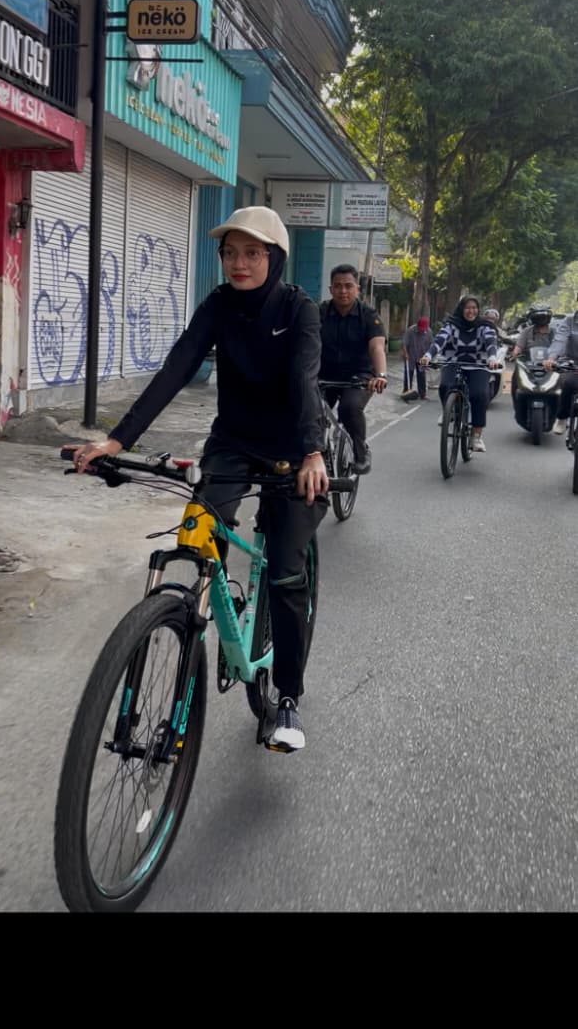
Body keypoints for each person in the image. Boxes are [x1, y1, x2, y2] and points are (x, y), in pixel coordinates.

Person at [71, 206, 329, 754]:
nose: (239, 263)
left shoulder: (299, 309)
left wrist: (313, 451)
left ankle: (287, 696)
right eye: (230, 252)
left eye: (252, 253)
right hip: (232, 443)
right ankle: (198, 615)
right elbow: (177, 367)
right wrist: (117, 441)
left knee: (286, 570)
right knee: (198, 534)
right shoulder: (218, 305)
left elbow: (305, 380)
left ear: (275, 258)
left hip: (293, 450)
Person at [319, 264, 387, 475]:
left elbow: (376, 347)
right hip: (324, 374)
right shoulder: (319, 312)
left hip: (360, 375)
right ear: (330, 289)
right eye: (338, 286)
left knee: (349, 408)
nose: (343, 291)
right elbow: (304, 342)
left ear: (357, 288)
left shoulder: (369, 315)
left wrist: (381, 375)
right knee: (310, 411)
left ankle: (361, 452)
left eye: (348, 286)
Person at [420, 295, 498, 451]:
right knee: (445, 386)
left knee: (479, 395)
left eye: (474, 308)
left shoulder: (485, 326)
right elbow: (439, 341)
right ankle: (448, 411)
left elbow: (491, 343)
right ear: (461, 309)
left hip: (478, 365)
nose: (471, 311)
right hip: (453, 362)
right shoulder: (451, 325)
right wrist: (428, 355)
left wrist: (492, 358)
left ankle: (476, 437)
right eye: (467, 308)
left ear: (478, 310)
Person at [543, 301, 578, 435]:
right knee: (568, 383)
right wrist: (552, 358)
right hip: (571, 362)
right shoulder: (569, 321)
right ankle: (562, 418)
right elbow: (559, 340)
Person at [401, 316, 433, 399]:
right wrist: (405, 353)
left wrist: (429, 356)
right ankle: (406, 391)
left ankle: (422, 394)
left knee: (421, 375)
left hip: (422, 356)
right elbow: (404, 343)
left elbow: (431, 345)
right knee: (409, 373)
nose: (422, 330)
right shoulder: (411, 330)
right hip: (411, 355)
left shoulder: (429, 332)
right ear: (417, 326)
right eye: (420, 328)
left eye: (423, 329)